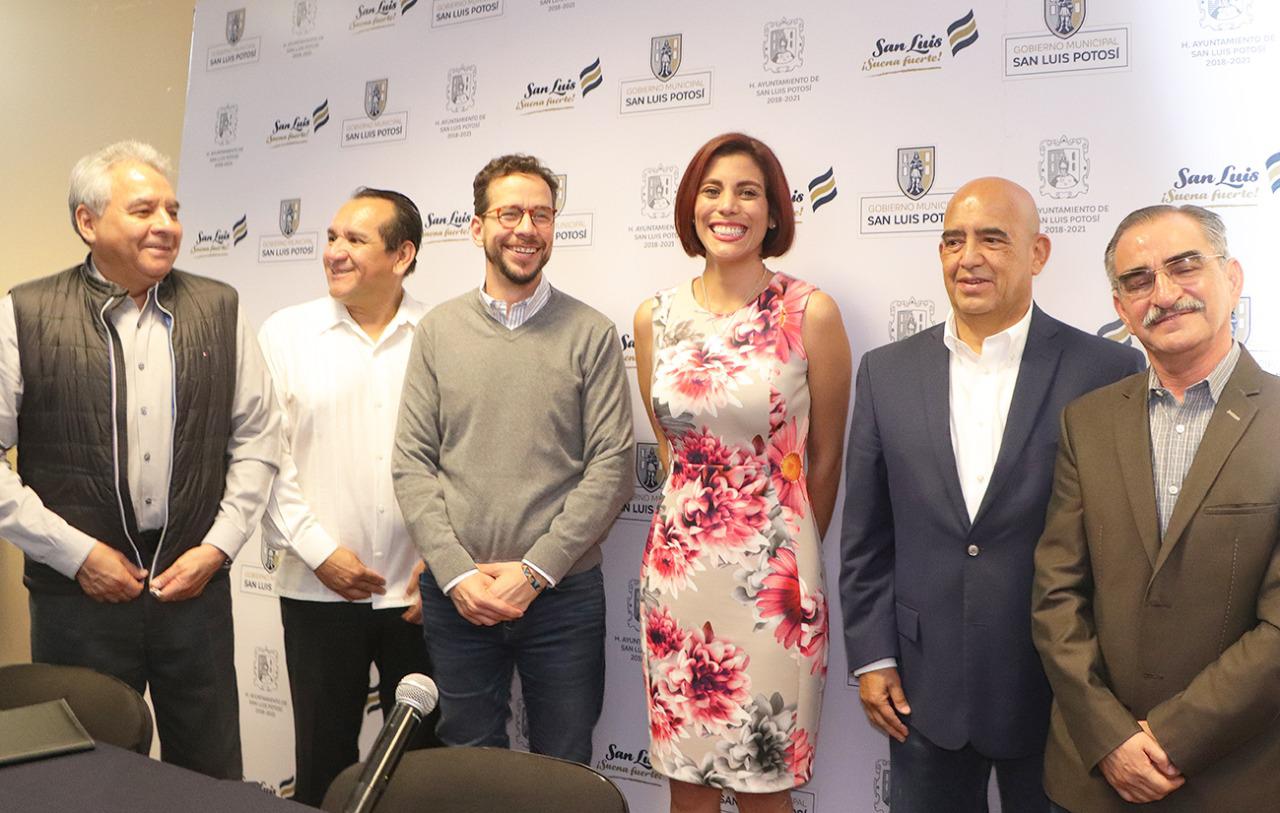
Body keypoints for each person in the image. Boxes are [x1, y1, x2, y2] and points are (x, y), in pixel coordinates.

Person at [840, 177, 1144, 812]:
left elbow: (1121, 542)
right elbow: (867, 536)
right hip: (922, 691)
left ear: (1038, 253)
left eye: (993, 239)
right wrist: (872, 657)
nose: (968, 257)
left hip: (1059, 693)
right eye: (953, 240)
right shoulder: (885, 372)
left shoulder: (1107, 371)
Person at [0, 140, 280, 778]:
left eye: (173, 210)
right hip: (78, 600)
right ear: (88, 221)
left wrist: (219, 548)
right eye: (144, 210)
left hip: (195, 593)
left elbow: (258, 437)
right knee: (83, 778)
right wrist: (77, 554)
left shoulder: (221, 308)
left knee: (209, 778)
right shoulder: (23, 314)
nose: (166, 225)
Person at [1032, 205, 1280, 811]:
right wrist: (1110, 738)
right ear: (1121, 308)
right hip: (1093, 776)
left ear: (1232, 278)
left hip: (1238, 778)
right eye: (1138, 280)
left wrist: (1173, 737)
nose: (1164, 295)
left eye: (1184, 266)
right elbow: (1057, 596)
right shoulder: (1086, 422)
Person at [635, 132, 852, 813]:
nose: (728, 206)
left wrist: (789, 551)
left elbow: (826, 458)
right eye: (713, 190)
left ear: (774, 211)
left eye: (748, 192)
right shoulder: (655, 317)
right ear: (690, 206)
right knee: (687, 789)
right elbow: (672, 451)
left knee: (764, 791)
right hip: (679, 581)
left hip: (775, 588)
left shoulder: (809, 312)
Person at [392, 154, 633, 763]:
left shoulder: (592, 333)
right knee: (469, 764)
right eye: (510, 214)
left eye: (541, 215)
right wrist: (457, 574)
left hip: (562, 597)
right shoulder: (438, 331)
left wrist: (534, 573)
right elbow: (412, 462)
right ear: (478, 227)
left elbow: (612, 468)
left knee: (563, 766)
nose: (526, 228)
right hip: (459, 595)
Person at [257, 188, 442, 805]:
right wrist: (319, 553)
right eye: (332, 237)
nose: (334, 251)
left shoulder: (441, 333)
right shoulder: (286, 333)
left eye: (355, 240)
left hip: (420, 595)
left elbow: (462, 458)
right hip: (319, 591)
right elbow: (266, 458)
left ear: (402, 255)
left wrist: (444, 560)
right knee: (322, 767)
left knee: (421, 774)